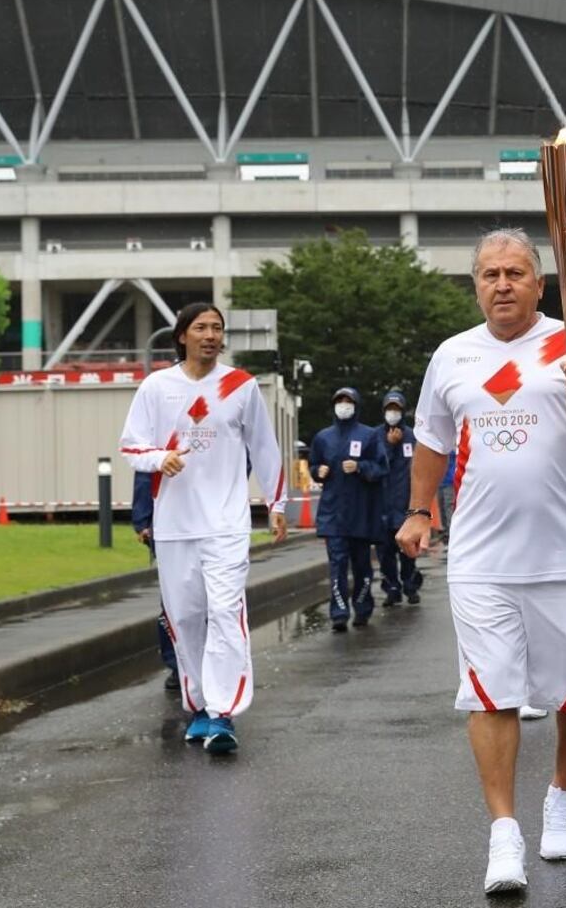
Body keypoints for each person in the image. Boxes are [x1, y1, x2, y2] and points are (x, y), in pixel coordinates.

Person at [395, 228, 566, 896]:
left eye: (514, 272)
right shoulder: (453, 356)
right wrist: (421, 509)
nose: (501, 284)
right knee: (491, 691)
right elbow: (430, 441)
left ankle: (560, 793)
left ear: (540, 282)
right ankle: (504, 830)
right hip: (481, 557)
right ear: (475, 285)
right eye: (489, 274)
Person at [119, 302, 288, 755]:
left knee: (225, 612)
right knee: (187, 618)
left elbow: (265, 447)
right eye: (201, 328)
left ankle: (223, 711)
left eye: (217, 328)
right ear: (182, 336)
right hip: (174, 524)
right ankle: (198, 707)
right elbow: (132, 446)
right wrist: (160, 458)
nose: (211, 335)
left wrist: (276, 502)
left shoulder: (240, 386)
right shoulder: (157, 387)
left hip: (225, 523)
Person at [309, 388, 389, 632]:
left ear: (356, 405)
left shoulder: (369, 435)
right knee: (337, 565)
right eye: (339, 402)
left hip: (361, 513)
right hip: (333, 514)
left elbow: (381, 467)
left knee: (362, 565)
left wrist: (361, 466)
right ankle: (339, 613)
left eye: (348, 402)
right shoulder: (323, 437)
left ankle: (362, 609)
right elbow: (314, 463)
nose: (344, 405)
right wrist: (317, 472)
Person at [130, 470, 179, 691]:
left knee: (181, 600)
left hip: (206, 521)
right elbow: (145, 469)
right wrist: (142, 521)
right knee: (174, 601)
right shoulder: (158, 436)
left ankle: (185, 665)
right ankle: (178, 665)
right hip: (168, 524)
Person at [379, 390, 424, 606]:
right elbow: (377, 467)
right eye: (389, 409)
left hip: (408, 504)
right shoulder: (376, 436)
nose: (393, 413)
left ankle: (410, 584)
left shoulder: (413, 437)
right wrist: (389, 444)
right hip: (383, 506)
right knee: (385, 552)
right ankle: (392, 588)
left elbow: (422, 469)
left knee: (408, 550)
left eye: (396, 409)